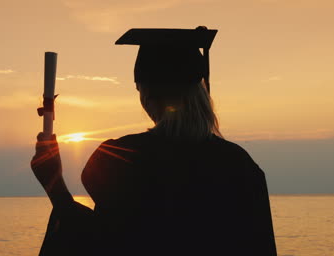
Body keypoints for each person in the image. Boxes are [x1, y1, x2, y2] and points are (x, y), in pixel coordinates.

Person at [31, 27, 278, 256]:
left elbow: (101, 242)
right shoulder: (241, 166)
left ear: (146, 94)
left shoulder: (120, 158)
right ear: (200, 89)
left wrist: (54, 183)